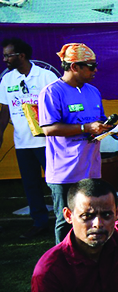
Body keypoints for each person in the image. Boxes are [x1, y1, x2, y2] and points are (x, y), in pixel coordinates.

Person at [39, 43, 109, 243]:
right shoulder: (52, 92)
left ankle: (88, 254)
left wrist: (112, 128)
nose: (95, 70)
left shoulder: (93, 91)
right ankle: (62, 261)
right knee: (66, 219)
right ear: (74, 67)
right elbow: (49, 129)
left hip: (91, 168)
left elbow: (99, 121)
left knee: (91, 216)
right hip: (64, 172)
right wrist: (85, 128)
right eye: (90, 66)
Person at [0, 37, 59, 238]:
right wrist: (0, 133)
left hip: (47, 142)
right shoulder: (7, 79)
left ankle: (63, 221)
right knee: (30, 183)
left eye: (8, 55)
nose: (5, 59)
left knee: (55, 183)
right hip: (22, 143)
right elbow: (5, 111)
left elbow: (58, 105)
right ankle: (40, 222)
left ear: (21, 56)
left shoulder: (46, 76)